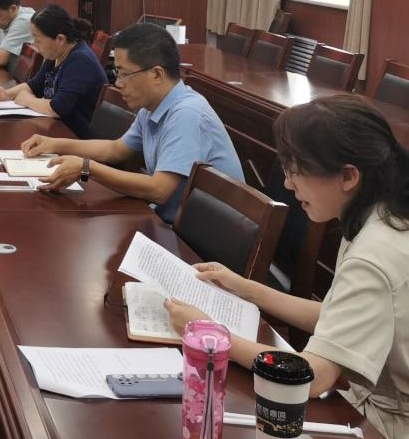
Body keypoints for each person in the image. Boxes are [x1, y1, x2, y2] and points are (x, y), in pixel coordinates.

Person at [165, 95, 409, 439]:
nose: (288, 183)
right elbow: (336, 315)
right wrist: (245, 287)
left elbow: (313, 376)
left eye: (297, 171)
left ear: (348, 175)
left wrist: (213, 337)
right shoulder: (378, 215)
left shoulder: (373, 252)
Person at [20, 22, 242, 222]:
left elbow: (159, 190)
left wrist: (86, 168)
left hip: (199, 241)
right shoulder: (152, 106)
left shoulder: (187, 113)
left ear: (157, 74)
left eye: (124, 74)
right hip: (171, 222)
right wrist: (55, 144)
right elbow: (116, 149)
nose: (118, 83)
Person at [0, 5, 107, 138]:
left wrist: (27, 100)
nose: (35, 44)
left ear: (60, 39)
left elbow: (58, 108)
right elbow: (34, 85)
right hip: (57, 130)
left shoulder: (80, 60)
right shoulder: (55, 54)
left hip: (77, 137)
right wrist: (7, 94)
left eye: (38, 40)